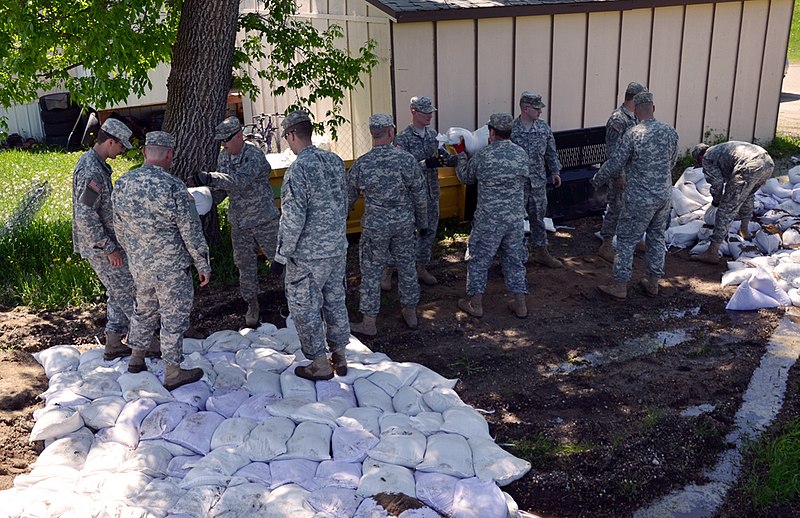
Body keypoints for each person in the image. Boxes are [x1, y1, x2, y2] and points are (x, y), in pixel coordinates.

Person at [112, 131, 211, 389]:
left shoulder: (122, 184)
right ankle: (173, 371)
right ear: (169, 155)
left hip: (140, 266)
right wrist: (202, 264)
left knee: (143, 311)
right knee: (173, 316)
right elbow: (191, 230)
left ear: (144, 152)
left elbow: (119, 229)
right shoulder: (173, 186)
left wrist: (135, 253)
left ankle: (136, 359)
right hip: (171, 268)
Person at [276, 110, 350, 381]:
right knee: (335, 301)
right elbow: (343, 202)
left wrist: (281, 256)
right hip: (336, 248)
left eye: (286, 138)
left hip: (308, 255)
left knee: (304, 307)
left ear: (292, 134)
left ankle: (319, 363)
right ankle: (340, 355)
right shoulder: (334, 161)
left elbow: (293, 217)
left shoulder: (297, 170)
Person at [190, 116, 280, 327]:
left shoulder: (254, 155)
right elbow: (224, 190)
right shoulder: (224, 157)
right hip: (240, 223)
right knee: (244, 266)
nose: (223, 144)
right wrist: (203, 198)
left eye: (226, 140)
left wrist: (209, 177)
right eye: (221, 141)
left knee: (281, 262)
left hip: (264, 220)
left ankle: (296, 302)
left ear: (239, 135)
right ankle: (252, 305)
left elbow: (239, 181)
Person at [591, 92, 678, 300]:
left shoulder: (633, 134)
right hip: (664, 196)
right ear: (653, 108)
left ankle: (620, 286)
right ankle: (653, 283)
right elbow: (672, 162)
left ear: (636, 110)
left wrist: (597, 179)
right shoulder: (670, 132)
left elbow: (615, 163)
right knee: (657, 237)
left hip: (639, 198)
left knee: (626, 241)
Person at [347, 114, 429, 336]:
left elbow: (348, 196)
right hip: (403, 224)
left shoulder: (362, 163)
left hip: (375, 226)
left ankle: (369, 321)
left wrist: (341, 219)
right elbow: (420, 194)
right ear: (391, 132)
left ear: (372, 134)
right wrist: (423, 222)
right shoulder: (406, 160)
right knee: (407, 267)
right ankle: (410, 312)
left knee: (371, 272)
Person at [71, 118, 141, 361]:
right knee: (128, 291)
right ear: (110, 141)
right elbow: (85, 214)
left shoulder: (97, 165)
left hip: (105, 243)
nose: (122, 151)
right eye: (121, 146)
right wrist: (108, 247)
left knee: (116, 290)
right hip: (101, 246)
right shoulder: (91, 171)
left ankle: (113, 342)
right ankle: (145, 342)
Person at [456, 113, 530, 318]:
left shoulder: (484, 155)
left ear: (492, 132)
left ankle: (475, 303)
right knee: (514, 259)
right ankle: (520, 304)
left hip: (489, 219)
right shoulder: (521, 154)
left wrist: (461, 153)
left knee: (479, 259)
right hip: (515, 219)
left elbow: (465, 177)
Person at [393, 95, 448, 286]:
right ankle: (392, 270)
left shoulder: (433, 135)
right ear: (414, 112)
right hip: (410, 196)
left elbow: (444, 155)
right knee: (405, 234)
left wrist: (449, 156)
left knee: (429, 232)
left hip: (431, 193)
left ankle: (421, 268)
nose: (429, 116)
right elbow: (402, 168)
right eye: (425, 112)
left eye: (431, 112)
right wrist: (427, 163)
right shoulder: (402, 138)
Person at [690, 141, 775, 264]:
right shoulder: (719, 150)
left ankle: (712, 252)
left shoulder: (707, 158)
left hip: (750, 166)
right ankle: (745, 230)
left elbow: (717, 183)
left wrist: (716, 201)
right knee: (748, 195)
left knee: (725, 209)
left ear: (700, 157)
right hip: (767, 163)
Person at [511, 91, 563, 268]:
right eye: (536, 108)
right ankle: (517, 258)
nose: (540, 112)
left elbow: (551, 152)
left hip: (538, 182)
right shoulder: (511, 129)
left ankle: (542, 252)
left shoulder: (543, 128)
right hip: (517, 185)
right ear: (526, 108)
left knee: (538, 218)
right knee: (516, 222)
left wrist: (555, 172)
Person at [597, 82, 648, 262]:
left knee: (633, 207)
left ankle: (634, 240)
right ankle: (606, 243)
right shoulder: (618, 119)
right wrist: (619, 175)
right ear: (634, 98)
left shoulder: (635, 117)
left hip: (634, 172)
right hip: (621, 173)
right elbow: (613, 151)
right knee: (616, 207)